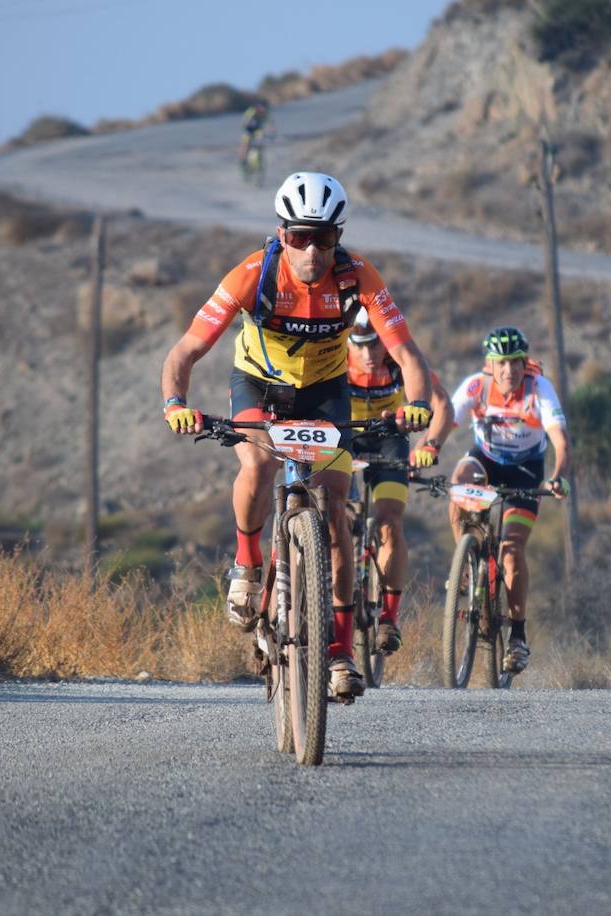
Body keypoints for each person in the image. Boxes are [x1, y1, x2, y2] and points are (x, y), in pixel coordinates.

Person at [161, 171, 436, 700]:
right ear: (282, 233)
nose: (312, 250)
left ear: (340, 236)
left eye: (325, 238)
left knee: (336, 512)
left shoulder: (359, 277)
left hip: (325, 391)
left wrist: (418, 405)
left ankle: (337, 651)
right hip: (258, 384)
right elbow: (185, 351)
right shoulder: (251, 275)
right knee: (258, 465)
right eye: (299, 237)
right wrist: (176, 403)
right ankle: (247, 562)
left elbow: (408, 354)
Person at [424, 326, 571, 676]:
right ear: (490, 364)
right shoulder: (478, 385)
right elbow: (448, 420)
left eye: (515, 363)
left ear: (525, 363)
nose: (509, 371)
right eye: (501, 363)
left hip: (525, 470)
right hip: (486, 461)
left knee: (511, 550)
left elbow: (561, 441)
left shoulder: (539, 389)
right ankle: (466, 561)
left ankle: (518, 637)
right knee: (459, 481)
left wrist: (559, 475)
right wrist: (431, 446)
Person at [346, 310, 454, 655]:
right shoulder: (332, 358)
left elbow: (442, 405)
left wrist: (431, 444)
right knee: (336, 517)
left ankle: (389, 619)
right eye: (359, 345)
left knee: (390, 522)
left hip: (387, 440)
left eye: (374, 344)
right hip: (343, 438)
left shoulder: (398, 361)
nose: (367, 355)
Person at [238, 101, 274, 172]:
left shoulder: (266, 113)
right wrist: (248, 123)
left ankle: (259, 157)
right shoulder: (251, 111)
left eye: (264, 108)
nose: (263, 110)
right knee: (245, 143)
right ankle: (242, 159)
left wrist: (273, 132)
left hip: (257, 130)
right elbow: (244, 122)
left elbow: (271, 123)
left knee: (261, 140)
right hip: (248, 129)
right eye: (262, 108)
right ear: (259, 107)